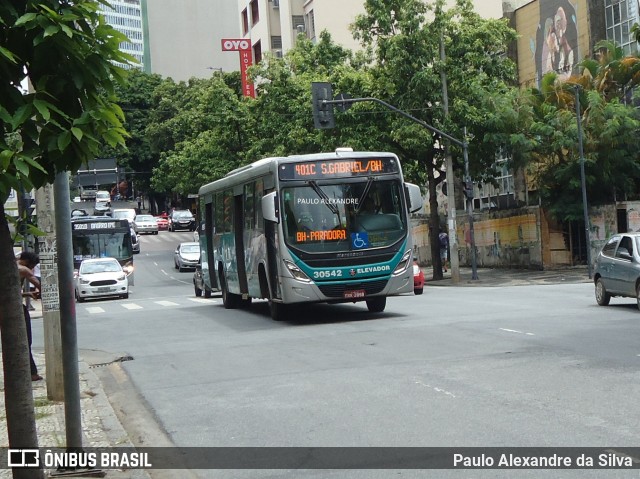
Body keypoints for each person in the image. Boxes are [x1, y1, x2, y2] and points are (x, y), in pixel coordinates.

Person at [17, 251, 43, 381]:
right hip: (15, 310)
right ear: (28, 262)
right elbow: (41, 286)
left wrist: (28, 294)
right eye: (33, 265)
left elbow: (10, 292)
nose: (32, 269)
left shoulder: (8, 267)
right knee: (26, 341)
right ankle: (31, 372)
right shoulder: (24, 270)